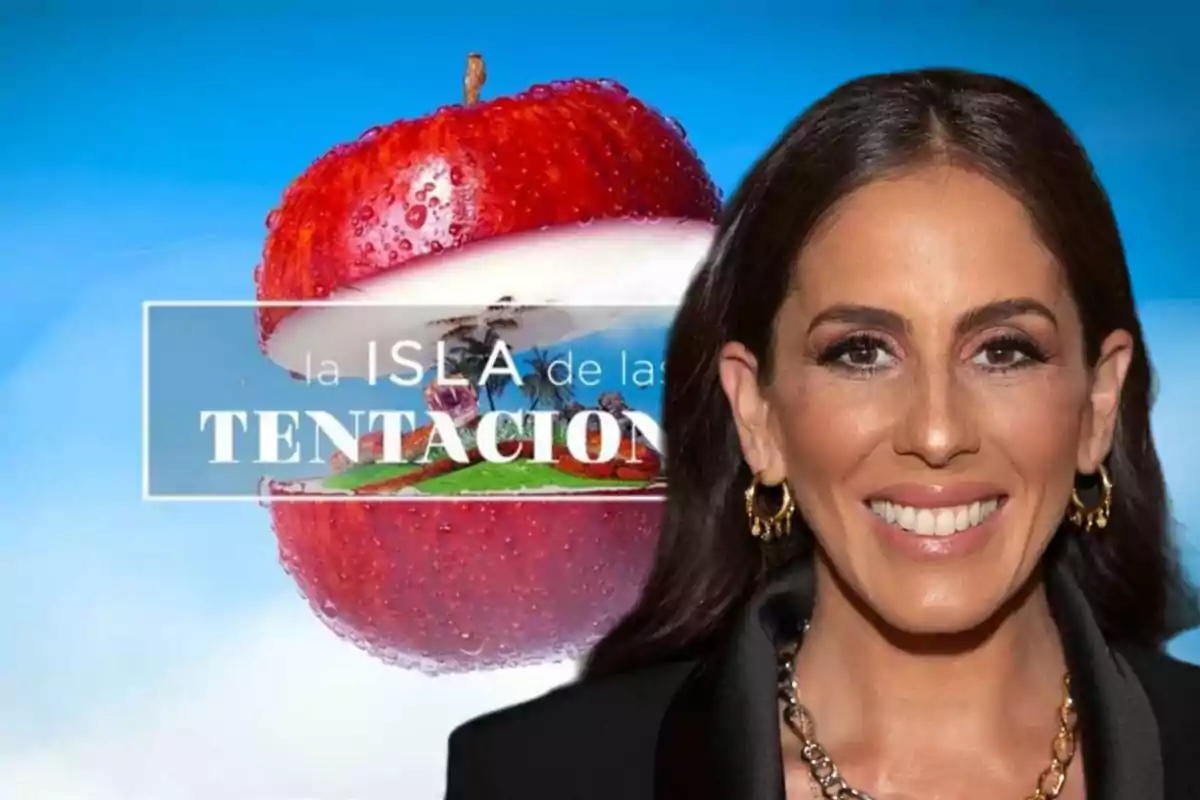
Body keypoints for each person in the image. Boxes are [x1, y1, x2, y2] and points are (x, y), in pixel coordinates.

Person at [442, 68, 1200, 800]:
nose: (936, 432)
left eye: (1004, 350)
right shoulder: (533, 778)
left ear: (1099, 404)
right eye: (860, 352)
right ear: (758, 414)